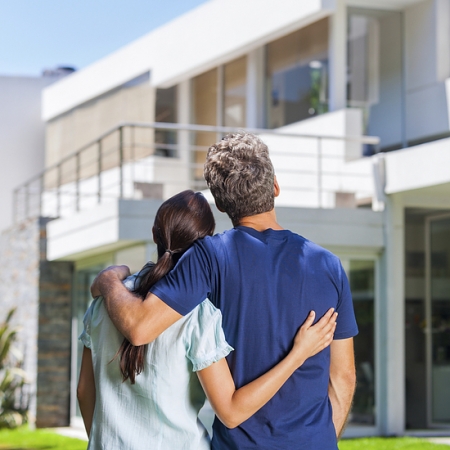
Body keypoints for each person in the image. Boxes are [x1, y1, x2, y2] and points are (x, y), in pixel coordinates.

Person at [92, 133, 358, 450]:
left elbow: (138, 328)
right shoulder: (329, 266)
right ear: (275, 186)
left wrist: (109, 280)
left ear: (219, 204)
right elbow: (343, 377)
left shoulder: (209, 257)